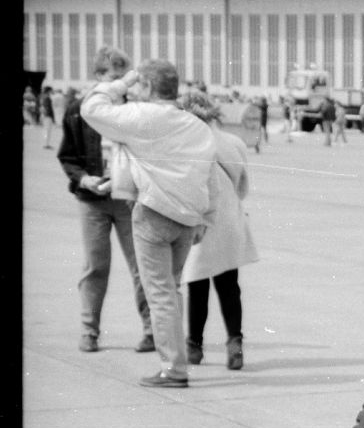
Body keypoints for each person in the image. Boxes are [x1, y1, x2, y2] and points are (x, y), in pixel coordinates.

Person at [81, 58, 217, 388]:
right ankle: (176, 360)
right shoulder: (197, 126)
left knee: (160, 295)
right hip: (187, 219)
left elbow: (92, 107)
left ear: (150, 87)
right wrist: (205, 219)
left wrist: (122, 82)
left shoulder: (142, 116)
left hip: (153, 214)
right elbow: (208, 176)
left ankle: (173, 369)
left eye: (141, 85)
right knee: (171, 290)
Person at [59, 49, 155, 356]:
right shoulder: (78, 110)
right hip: (92, 200)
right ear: (99, 77)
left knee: (141, 266)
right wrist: (84, 179)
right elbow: (68, 156)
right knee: (95, 266)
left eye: (123, 79)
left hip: (127, 199)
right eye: (114, 78)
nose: (120, 86)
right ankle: (89, 330)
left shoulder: (134, 111)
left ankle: (152, 330)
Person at [177, 90, 259, 371]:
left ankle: (194, 347)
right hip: (229, 222)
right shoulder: (233, 142)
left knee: (197, 286)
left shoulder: (187, 143)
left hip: (200, 221)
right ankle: (234, 343)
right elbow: (243, 187)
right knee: (229, 287)